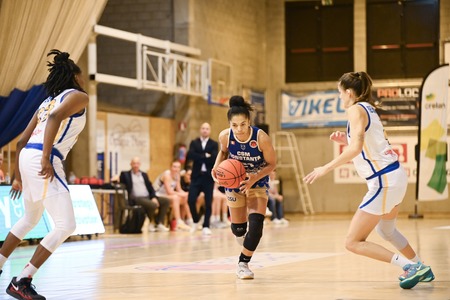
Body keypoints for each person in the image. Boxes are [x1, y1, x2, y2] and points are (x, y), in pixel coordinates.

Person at [303, 71, 434, 289]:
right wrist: (344, 138)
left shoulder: (354, 109)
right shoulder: (368, 108)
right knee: (387, 231)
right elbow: (368, 142)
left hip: (384, 180)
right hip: (395, 175)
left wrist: (325, 167)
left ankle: (411, 267)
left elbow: (356, 148)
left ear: (348, 92)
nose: (339, 98)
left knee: (352, 242)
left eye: (339, 93)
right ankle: (421, 265)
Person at [0, 49, 89, 300]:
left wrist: (18, 176)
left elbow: (20, 143)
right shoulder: (78, 96)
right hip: (44, 157)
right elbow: (56, 117)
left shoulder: (45, 101)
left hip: (28, 155)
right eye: (81, 76)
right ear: (74, 76)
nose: (83, 81)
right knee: (66, 224)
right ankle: (22, 279)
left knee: (30, 218)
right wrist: (46, 158)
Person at [212, 95, 276, 280]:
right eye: (234, 125)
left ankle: (243, 264)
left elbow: (272, 164)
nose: (239, 129)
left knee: (256, 226)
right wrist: (216, 167)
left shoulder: (261, 138)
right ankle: (246, 241)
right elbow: (223, 153)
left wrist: (254, 177)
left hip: (257, 180)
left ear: (249, 121)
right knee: (239, 230)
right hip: (234, 183)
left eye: (242, 124)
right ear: (229, 124)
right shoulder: (225, 136)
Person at [120, 157, 170, 232]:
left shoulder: (144, 175)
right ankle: (151, 222)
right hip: (136, 198)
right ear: (131, 164)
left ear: (140, 164)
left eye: (137, 163)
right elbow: (121, 181)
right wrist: (116, 178)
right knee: (152, 205)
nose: (136, 165)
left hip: (147, 197)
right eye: (134, 163)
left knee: (166, 201)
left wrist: (153, 197)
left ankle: (159, 222)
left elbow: (150, 187)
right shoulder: (125, 175)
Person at [186, 122, 218, 236]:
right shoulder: (194, 143)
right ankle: (195, 220)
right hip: (196, 176)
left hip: (208, 177)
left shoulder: (214, 144)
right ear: (200, 130)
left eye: (207, 128)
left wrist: (200, 156)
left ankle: (206, 225)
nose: (205, 130)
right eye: (203, 128)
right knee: (191, 199)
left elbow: (214, 158)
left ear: (210, 130)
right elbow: (190, 155)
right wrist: (205, 156)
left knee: (208, 202)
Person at [153, 160, 192, 231]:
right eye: (174, 167)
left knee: (185, 197)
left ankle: (189, 220)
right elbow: (169, 191)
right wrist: (182, 194)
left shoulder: (177, 176)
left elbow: (179, 189)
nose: (176, 169)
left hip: (167, 195)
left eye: (178, 167)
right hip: (158, 195)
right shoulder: (166, 175)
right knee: (175, 198)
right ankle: (178, 221)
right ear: (170, 167)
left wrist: (186, 194)